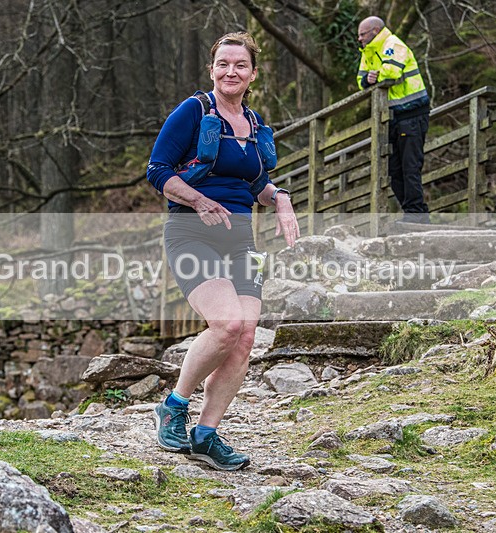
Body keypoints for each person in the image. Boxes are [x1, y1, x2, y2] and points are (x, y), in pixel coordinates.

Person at [146, 32, 299, 471]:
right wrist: (198, 200)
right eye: (223, 64)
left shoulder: (254, 122)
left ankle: (206, 435)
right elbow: (157, 170)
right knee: (227, 323)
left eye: (240, 65)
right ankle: (173, 405)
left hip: (241, 240)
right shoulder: (193, 111)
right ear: (212, 69)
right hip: (191, 232)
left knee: (245, 336)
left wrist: (281, 198)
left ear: (253, 73)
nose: (231, 71)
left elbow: (256, 184)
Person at [357, 16, 431, 223]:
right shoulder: (367, 52)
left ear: (375, 31)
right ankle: (413, 213)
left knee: (410, 166)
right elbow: (361, 80)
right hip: (391, 116)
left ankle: (416, 214)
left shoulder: (393, 44)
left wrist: (375, 76)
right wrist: (368, 79)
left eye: (362, 34)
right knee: (393, 169)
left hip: (412, 113)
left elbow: (392, 72)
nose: (359, 39)